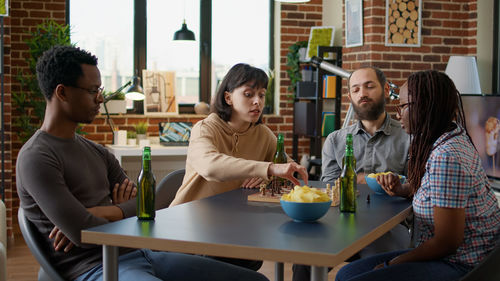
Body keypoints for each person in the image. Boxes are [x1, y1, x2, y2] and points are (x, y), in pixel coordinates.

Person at [16, 45, 269, 281]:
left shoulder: (98, 152)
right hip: (96, 267)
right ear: (62, 92)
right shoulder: (37, 158)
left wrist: (108, 211)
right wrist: (113, 215)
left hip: (145, 253)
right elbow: (84, 234)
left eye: (100, 91)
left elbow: (145, 206)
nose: (100, 99)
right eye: (93, 91)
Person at [335, 70, 500, 281]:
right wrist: (404, 189)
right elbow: (435, 189)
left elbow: (447, 243)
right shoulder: (448, 134)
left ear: (424, 106)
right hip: (450, 255)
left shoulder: (446, 156)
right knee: (345, 273)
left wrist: (390, 264)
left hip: (462, 263)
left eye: (403, 106)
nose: (397, 114)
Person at [170, 63, 308, 270]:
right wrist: (268, 169)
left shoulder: (263, 134)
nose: (257, 102)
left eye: (261, 95)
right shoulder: (205, 128)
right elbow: (210, 166)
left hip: (235, 233)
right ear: (228, 98)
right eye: (248, 94)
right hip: (190, 234)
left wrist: (268, 176)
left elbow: (288, 170)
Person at [292, 67, 411, 281]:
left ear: (385, 90)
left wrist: (397, 185)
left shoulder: (408, 138)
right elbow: (327, 186)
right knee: (304, 261)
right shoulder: (335, 140)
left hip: (388, 228)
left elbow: (415, 187)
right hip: (339, 225)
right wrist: (363, 179)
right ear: (350, 97)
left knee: (375, 270)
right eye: (355, 89)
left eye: (369, 86)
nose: (362, 93)